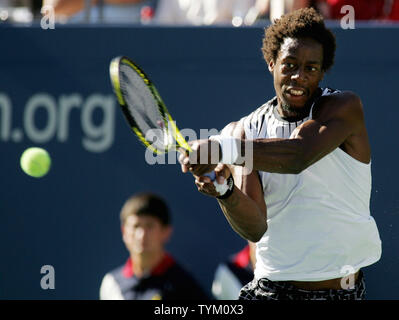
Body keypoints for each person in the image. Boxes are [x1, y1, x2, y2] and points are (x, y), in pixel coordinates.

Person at [179, 7, 382, 300]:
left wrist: (221, 149)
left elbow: (298, 155)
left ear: (322, 72)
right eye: (289, 65)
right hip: (271, 290)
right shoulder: (245, 130)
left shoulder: (344, 107)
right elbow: (256, 227)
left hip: (341, 292)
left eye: (311, 68)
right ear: (271, 63)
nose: (299, 76)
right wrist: (224, 190)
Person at [99, 192, 209, 300]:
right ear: (124, 232)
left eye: (149, 226)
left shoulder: (185, 287)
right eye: (135, 226)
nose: (141, 235)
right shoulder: (111, 284)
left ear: (166, 231)